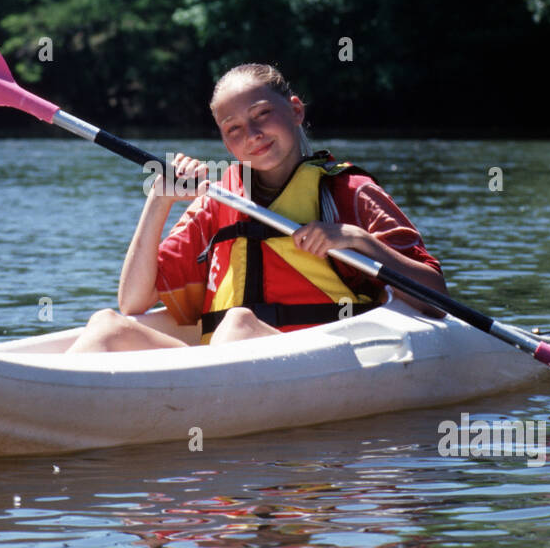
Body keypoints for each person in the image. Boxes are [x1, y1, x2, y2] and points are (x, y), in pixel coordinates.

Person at [65, 63, 447, 352]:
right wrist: (159, 201)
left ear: (296, 110)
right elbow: (133, 301)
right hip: (222, 368)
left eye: (262, 114)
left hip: (318, 359)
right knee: (106, 326)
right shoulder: (217, 201)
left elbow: (436, 298)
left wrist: (357, 239)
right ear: (226, 143)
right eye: (233, 129)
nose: (253, 135)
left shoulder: (349, 191)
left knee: (238, 324)